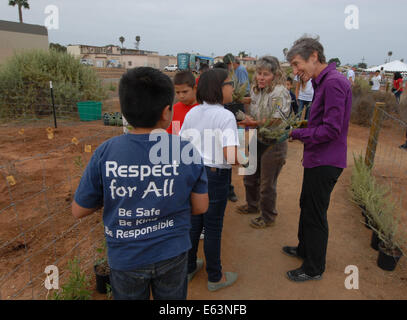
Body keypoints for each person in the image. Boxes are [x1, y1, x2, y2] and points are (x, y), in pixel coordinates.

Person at [72, 67, 209, 299]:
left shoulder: (106, 152)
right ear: (167, 112)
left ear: (124, 112)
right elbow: (200, 207)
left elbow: (79, 210)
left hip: (126, 257)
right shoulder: (186, 151)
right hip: (173, 252)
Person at [284, 36, 352, 282]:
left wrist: (297, 132)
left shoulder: (333, 83)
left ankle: (314, 268)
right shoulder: (322, 82)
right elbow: (323, 122)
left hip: (326, 160)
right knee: (307, 204)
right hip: (317, 158)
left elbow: (331, 129)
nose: (295, 70)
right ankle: (304, 250)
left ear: (314, 56)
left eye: (296, 63)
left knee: (315, 213)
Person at [180, 68, 239, 292]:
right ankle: (216, 276)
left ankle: (188, 267)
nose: (232, 87)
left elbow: (182, 145)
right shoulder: (226, 116)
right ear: (218, 87)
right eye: (229, 83)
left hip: (194, 172)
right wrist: (246, 158)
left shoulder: (193, 112)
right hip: (215, 176)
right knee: (213, 226)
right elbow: (230, 155)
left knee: (194, 223)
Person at [236, 56, 291, 229]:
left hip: (273, 142)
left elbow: (276, 119)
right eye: (259, 73)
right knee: (250, 176)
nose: (261, 77)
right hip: (255, 137)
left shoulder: (280, 92)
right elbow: (252, 102)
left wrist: (254, 123)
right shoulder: (255, 89)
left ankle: (268, 216)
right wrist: (236, 98)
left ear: (274, 75)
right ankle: (252, 205)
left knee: (267, 184)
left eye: (266, 74)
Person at [167, 71, 199, 135]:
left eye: (185, 92)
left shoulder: (204, 108)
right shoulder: (174, 110)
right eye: (178, 92)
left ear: (195, 88)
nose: (181, 96)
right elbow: (174, 133)